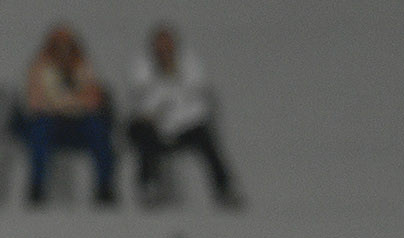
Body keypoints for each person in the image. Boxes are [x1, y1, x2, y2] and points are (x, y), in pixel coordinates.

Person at [127, 24, 241, 207]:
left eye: (167, 44)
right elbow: (142, 103)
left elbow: (197, 102)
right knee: (144, 138)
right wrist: (164, 97)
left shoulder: (190, 64)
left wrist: (169, 103)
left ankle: (224, 189)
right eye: (160, 45)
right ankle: (148, 187)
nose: (164, 49)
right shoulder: (142, 65)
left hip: (184, 126)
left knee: (207, 139)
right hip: (151, 127)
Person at [20, 24, 117, 205]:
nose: (63, 50)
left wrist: (63, 102)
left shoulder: (84, 65)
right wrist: (70, 102)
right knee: (39, 130)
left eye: (67, 45)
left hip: (78, 124)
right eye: (58, 45)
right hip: (52, 124)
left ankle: (105, 187)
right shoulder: (38, 67)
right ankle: (36, 188)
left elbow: (93, 100)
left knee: (98, 128)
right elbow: (36, 103)